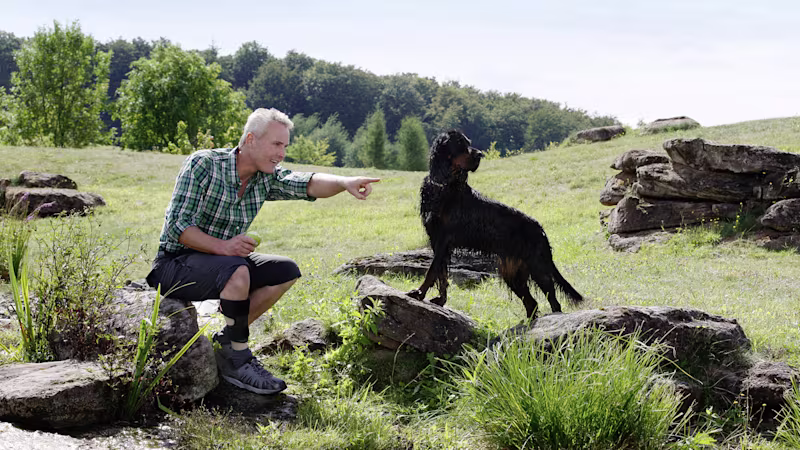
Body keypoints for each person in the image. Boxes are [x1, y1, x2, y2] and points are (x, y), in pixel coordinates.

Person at [146, 108, 380, 395]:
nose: (282, 153)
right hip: (173, 266)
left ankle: (228, 343)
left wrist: (344, 183)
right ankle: (238, 360)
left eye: (285, 146)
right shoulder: (204, 164)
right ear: (251, 139)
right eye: (276, 144)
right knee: (237, 268)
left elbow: (306, 183)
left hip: (223, 264)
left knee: (285, 271)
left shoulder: (265, 177)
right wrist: (225, 247)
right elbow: (178, 227)